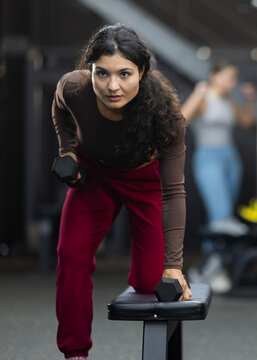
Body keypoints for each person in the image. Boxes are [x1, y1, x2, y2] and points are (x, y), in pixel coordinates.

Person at [52, 24, 191, 360]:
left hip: (145, 181)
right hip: (95, 176)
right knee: (71, 256)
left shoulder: (167, 116)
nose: (113, 86)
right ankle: (75, 353)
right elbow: (60, 112)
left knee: (148, 282)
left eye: (125, 74)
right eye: (102, 73)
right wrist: (67, 150)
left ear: (142, 72)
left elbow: (173, 192)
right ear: (90, 69)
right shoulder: (73, 87)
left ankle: (147, 268)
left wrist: (173, 266)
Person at [182, 61, 256, 236]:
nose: (233, 81)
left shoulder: (229, 102)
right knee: (221, 215)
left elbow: (246, 122)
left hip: (230, 157)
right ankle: (215, 260)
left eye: (234, 78)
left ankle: (216, 259)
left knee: (223, 214)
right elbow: (180, 120)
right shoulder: (203, 99)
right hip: (209, 157)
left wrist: (250, 100)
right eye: (229, 77)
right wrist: (196, 95)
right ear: (214, 76)